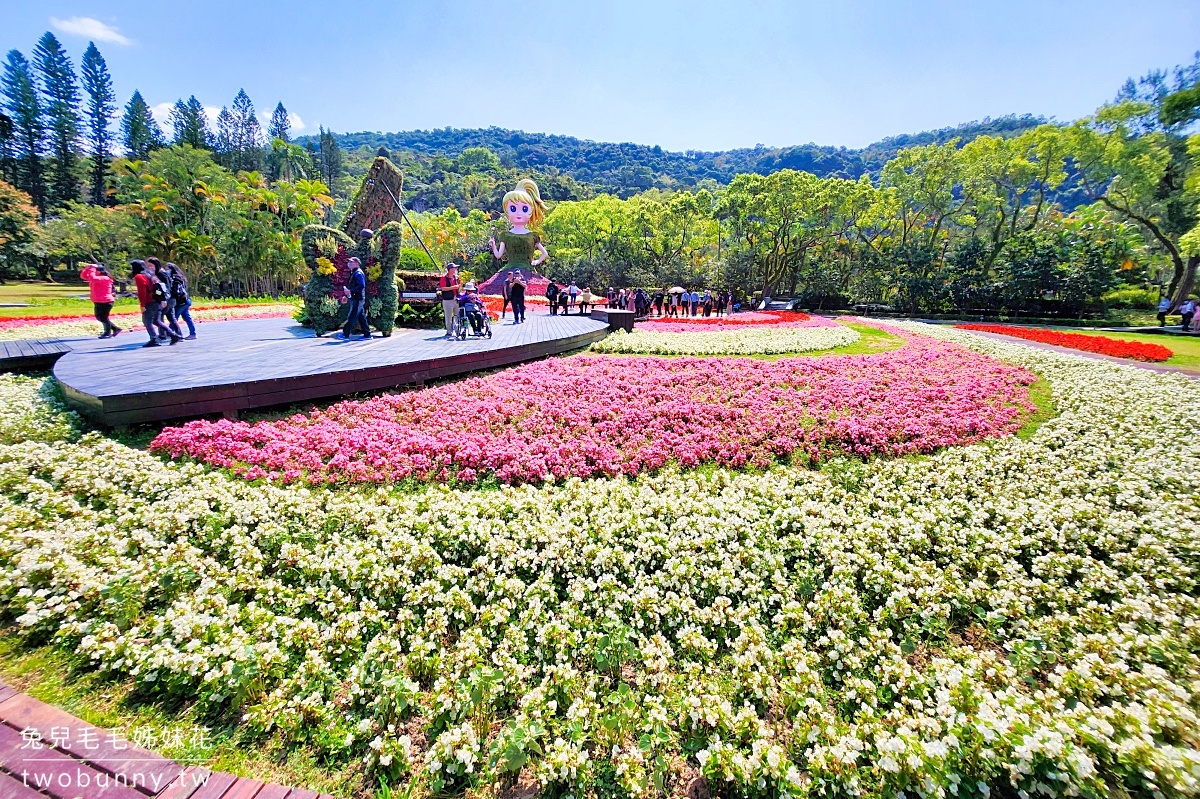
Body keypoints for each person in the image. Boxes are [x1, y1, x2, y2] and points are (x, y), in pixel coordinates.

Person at [132, 260, 179, 347]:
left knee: (147, 321)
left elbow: (142, 292)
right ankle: (173, 335)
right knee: (157, 320)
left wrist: (142, 305)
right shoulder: (149, 275)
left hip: (149, 301)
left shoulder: (139, 276)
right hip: (157, 300)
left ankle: (154, 338)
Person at [80, 263, 121, 338]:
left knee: (104, 317)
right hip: (98, 301)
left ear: (99, 271)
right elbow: (83, 276)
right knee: (99, 317)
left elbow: (92, 278)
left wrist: (92, 268)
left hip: (106, 301)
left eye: (95, 270)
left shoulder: (105, 278)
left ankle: (107, 332)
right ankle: (115, 329)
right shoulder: (96, 278)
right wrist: (87, 268)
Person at [337, 257, 371, 340]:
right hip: (357, 298)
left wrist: (350, 291)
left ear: (357, 263)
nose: (349, 263)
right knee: (361, 317)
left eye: (351, 262)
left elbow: (361, 286)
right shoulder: (354, 272)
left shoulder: (358, 273)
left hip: (358, 299)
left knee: (352, 316)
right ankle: (367, 335)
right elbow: (352, 287)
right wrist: (347, 295)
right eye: (349, 262)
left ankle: (345, 334)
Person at [167, 263, 197, 339]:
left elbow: (176, 291)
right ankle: (193, 333)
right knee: (186, 317)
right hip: (186, 300)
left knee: (174, 317)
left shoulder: (175, 278)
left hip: (181, 302)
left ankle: (171, 333)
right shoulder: (181, 277)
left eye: (167, 268)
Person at [438, 264, 461, 338]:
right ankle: (449, 332)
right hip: (448, 300)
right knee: (448, 317)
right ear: (450, 269)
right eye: (454, 268)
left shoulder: (456, 278)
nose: (455, 269)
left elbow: (459, 286)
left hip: (456, 298)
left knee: (457, 315)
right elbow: (443, 288)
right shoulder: (444, 278)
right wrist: (453, 287)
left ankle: (457, 330)